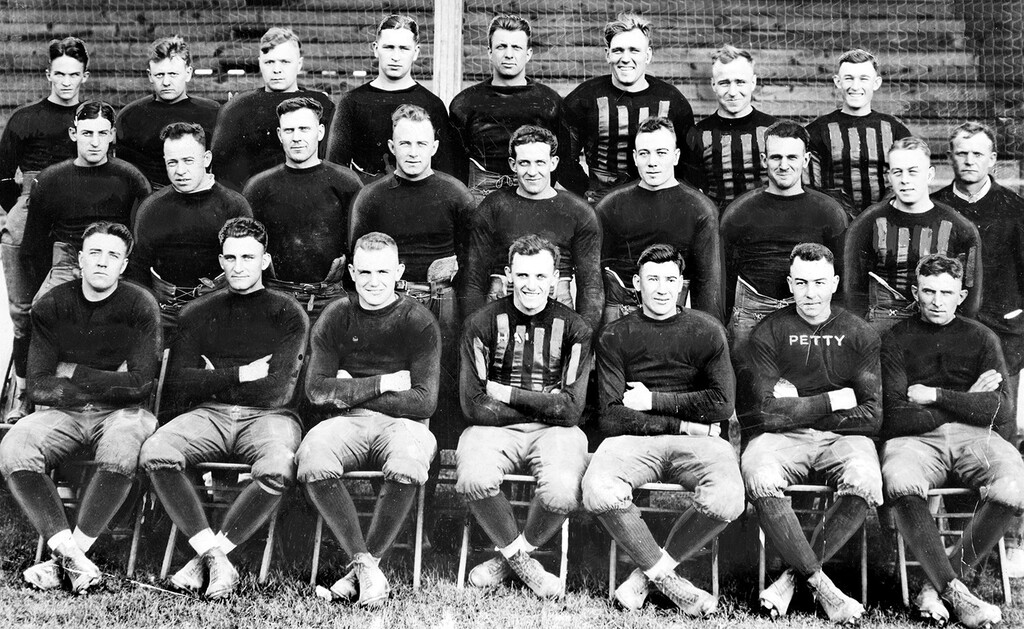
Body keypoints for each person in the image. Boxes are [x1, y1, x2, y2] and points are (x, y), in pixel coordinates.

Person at [139, 218, 309, 598]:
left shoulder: (287, 312)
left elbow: (277, 390)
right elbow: (180, 382)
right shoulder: (198, 311)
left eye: (248, 257)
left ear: (265, 261)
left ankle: (210, 557)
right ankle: (214, 557)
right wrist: (244, 373)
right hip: (209, 414)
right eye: (230, 258)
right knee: (156, 451)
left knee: (278, 466)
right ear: (220, 261)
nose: (238, 267)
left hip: (269, 417)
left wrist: (212, 375)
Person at [0, 222, 161, 593]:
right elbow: (39, 385)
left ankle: (69, 558)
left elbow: (140, 385)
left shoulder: (140, 304)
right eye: (95, 253)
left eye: (113, 255)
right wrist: (107, 381)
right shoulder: (52, 304)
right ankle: (72, 556)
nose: (103, 262)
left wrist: (73, 372)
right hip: (64, 411)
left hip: (121, 413)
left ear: (124, 265)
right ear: (80, 260)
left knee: (124, 443)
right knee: (15, 445)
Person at [582, 244, 741, 616]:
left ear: (682, 283)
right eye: (652, 279)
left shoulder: (706, 330)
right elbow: (611, 416)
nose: (662, 288)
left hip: (700, 445)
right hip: (638, 439)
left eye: (670, 279)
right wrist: (685, 424)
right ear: (636, 283)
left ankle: (643, 578)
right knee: (598, 488)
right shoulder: (615, 334)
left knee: (728, 497)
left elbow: (722, 404)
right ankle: (671, 584)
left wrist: (652, 400)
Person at [297, 232, 440, 606]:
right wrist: (386, 382)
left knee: (409, 460)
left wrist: (349, 387)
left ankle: (361, 569)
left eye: (382, 272)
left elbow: (424, 402)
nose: (373, 281)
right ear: (351, 273)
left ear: (399, 272)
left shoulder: (418, 319)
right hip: (348, 421)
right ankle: (366, 566)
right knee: (312, 457)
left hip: (404, 424)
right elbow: (317, 391)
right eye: (364, 272)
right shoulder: (336, 315)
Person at [740, 243, 881, 624]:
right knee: (758, 472)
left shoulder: (859, 333)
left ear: (834, 283)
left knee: (866, 479)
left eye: (819, 283)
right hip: (784, 438)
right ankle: (823, 587)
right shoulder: (769, 331)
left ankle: (789, 579)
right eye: (801, 283)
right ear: (789, 284)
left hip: (843, 439)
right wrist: (835, 399)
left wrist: (799, 406)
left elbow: (871, 416)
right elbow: (767, 413)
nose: (811, 293)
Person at [880, 253, 1022, 629]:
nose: (937, 301)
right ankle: (956, 594)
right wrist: (967, 399)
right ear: (915, 292)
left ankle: (935, 586)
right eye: (928, 291)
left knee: (1013, 484)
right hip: (914, 439)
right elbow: (895, 415)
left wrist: (934, 395)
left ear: (961, 296)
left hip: (976, 437)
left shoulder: (982, 337)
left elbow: (1000, 409)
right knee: (899, 479)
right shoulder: (895, 338)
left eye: (946, 293)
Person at [457, 234, 591, 599]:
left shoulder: (575, 328)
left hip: (555, 432)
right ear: (508, 275)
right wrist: (544, 401)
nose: (531, 285)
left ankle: (509, 559)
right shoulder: (481, 322)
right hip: (493, 428)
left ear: (555, 278)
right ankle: (524, 563)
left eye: (541, 276)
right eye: (523, 275)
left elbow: (571, 409)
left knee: (562, 492)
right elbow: (474, 405)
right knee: (473, 478)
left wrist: (505, 393)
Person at [349, 103, 473, 448]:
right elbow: (356, 260)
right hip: (389, 301)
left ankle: (434, 468)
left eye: (421, 144)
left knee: (440, 380)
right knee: (391, 378)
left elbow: (472, 261)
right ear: (392, 146)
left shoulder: (456, 194)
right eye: (405, 143)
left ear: (435, 146)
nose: (413, 152)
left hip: (441, 303)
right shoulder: (371, 197)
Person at [933, 121, 1024, 577]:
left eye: (977, 154)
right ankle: (953, 540)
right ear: (949, 157)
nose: (968, 161)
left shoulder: (1015, 208)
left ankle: (1003, 542)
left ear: (993, 160)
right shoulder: (936, 207)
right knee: (950, 424)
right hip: (953, 334)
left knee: (998, 431)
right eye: (960, 153)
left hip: (1004, 336)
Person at [0, 37, 90, 421]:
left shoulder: (91, 120)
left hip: (75, 216)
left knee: (64, 312)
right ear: (47, 74)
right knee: (24, 312)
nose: (66, 82)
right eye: (60, 74)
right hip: (30, 207)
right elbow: (3, 177)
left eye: (74, 75)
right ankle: (22, 392)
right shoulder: (25, 118)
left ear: (85, 76)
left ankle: (63, 393)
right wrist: (23, 208)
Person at [720, 121, 847, 355]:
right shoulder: (739, 211)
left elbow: (841, 277)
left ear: (806, 160)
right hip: (751, 317)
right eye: (776, 157)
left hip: (808, 318)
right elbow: (724, 279)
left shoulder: (829, 212)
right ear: (764, 159)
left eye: (792, 157)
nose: (784, 165)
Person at [465, 125, 602, 331]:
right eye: (524, 163)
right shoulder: (493, 206)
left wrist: (584, 336)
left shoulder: (579, 211)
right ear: (513, 164)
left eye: (540, 162)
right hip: (501, 309)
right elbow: (473, 279)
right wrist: (476, 331)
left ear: (553, 163)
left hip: (558, 311)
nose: (532, 172)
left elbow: (591, 285)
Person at [844, 137, 982, 331]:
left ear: (930, 174)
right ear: (889, 176)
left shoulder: (960, 227)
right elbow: (853, 293)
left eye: (913, 171)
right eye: (897, 172)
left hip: (939, 330)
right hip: (884, 328)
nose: (905, 180)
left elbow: (971, 294)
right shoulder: (866, 223)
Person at [21, 101, 151, 306]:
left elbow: (141, 243)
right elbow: (33, 248)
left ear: (112, 134)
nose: (95, 142)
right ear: (74, 133)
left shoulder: (131, 178)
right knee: (44, 309)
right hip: (68, 267)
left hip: (114, 267)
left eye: (102, 133)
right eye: (87, 133)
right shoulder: (50, 180)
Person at [244, 97, 362, 322]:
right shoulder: (258, 187)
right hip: (276, 296)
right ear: (279, 135)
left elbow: (360, 245)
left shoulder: (346, 182)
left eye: (304, 129)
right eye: (289, 130)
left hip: (330, 297)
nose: (296, 137)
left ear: (320, 132)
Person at [131, 122, 252, 340]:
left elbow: (249, 268)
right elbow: (138, 271)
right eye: (172, 162)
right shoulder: (151, 207)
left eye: (188, 161)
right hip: (165, 315)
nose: (180, 171)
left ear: (206, 159)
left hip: (220, 313)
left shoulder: (234, 206)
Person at [598, 117, 723, 325]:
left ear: (676, 156)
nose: (652, 162)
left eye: (661, 153)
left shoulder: (700, 208)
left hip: (674, 317)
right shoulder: (611, 205)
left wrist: (706, 334)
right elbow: (595, 279)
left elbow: (708, 284)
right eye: (644, 153)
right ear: (635, 157)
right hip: (620, 319)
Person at [563, 13, 695, 204]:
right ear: (607, 54)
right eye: (618, 50)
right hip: (602, 203)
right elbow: (564, 161)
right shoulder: (583, 98)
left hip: (657, 201)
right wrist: (587, 194)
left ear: (647, 55)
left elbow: (689, 163)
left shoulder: (672, 100)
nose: (625, 59)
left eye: (634, 50)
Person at [449, 14, 583, 201]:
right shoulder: (465, 103)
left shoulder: (549, 102)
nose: (509, 54)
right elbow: (454, 167)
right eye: (501, 46)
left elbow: (566, 162)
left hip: (535, 197)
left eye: (516, 47)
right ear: (489, 52)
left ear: (528, 54)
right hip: (481, 198)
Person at [326, 14, 458, 183]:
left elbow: (446, 171)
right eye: (389, 47)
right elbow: (335, 168)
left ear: (416, 52)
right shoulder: (352, 102)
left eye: (404, 48)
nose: (396, 56)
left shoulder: (432, 104)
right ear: (376, 49)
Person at [211, 27, 335, 191]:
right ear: (260, 63)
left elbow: (333, 162)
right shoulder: (238, 106)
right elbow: (222, 169)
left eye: (285, 62)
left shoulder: (321, 104)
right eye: (269, 62)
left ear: (299, 64)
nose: (277, 69)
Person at [805, 49, 912, 216]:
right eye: (849, 78)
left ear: (876, 83)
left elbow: (906, 182)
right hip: (833, 221)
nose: (855, 86)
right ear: (837, 81)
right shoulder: (817, 131)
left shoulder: (895, 130)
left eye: (863, 79)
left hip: (887, 221)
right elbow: (812, 190)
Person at [115, 36, 220, 189]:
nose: (166, 82)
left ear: (188, 73)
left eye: (173, 74)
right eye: (159, 75)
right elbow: (126, 174)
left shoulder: (212, 112)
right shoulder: (130, 116)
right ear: (150, 75)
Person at [684, 46, 777, 209]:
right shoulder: (698, 134)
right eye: (724, 83)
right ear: (713, 84)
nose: (733, 92)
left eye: (740, 82)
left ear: (753, 82)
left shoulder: (774, 130)